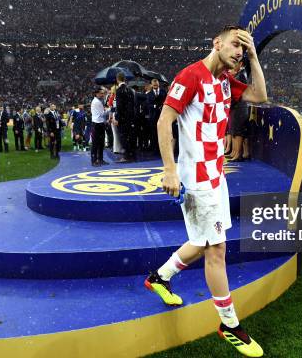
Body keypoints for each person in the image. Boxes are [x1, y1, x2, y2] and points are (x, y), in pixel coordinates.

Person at [144, 25, 267, 357]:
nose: (239, 51)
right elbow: (163, 121)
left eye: (244, 48)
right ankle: (228, 324)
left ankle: (159, 278)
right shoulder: (191, 75)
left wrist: (255, 57)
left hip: (217, 174)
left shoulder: (227, 80)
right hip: (196, 179)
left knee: (202, 242)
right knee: (216, 250)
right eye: (235, 45)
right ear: (216, 43)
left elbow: (261, 97)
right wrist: (169, 170)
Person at [114, 71, 137, 162]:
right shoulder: (130, 90)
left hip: (123, 118)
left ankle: (126, 156)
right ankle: (132, 155)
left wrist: (117, 119)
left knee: (124, 137)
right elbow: (133, 104)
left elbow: (119, 107)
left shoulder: (119, 90)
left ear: (117, 80)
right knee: (131, 137)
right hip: (131, 118)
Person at [91, 87, 109, 166]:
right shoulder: (97, 102)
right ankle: (94, 161)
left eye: (102, 93)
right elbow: (102, 113)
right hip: (97, 124)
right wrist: (110, 109)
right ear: (96, 94)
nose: (102, 95)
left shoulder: (98, 101)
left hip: (99, 123)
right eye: (101, 93)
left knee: (101, 143)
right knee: (95, 143)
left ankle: (100, 159)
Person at [147, 78, 167, 152]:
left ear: (158, 84)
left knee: (163, 133)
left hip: (162, 116)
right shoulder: (149, 94)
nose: (155, 85)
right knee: (154, 133)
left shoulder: (163, 92)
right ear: (151, 85)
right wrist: (155, 106)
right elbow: (148, 105)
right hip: (153, 117)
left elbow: (166, 102)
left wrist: (162, 106)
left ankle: (163, 148)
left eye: (156, 83)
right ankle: (154, 148)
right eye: (154, 84)